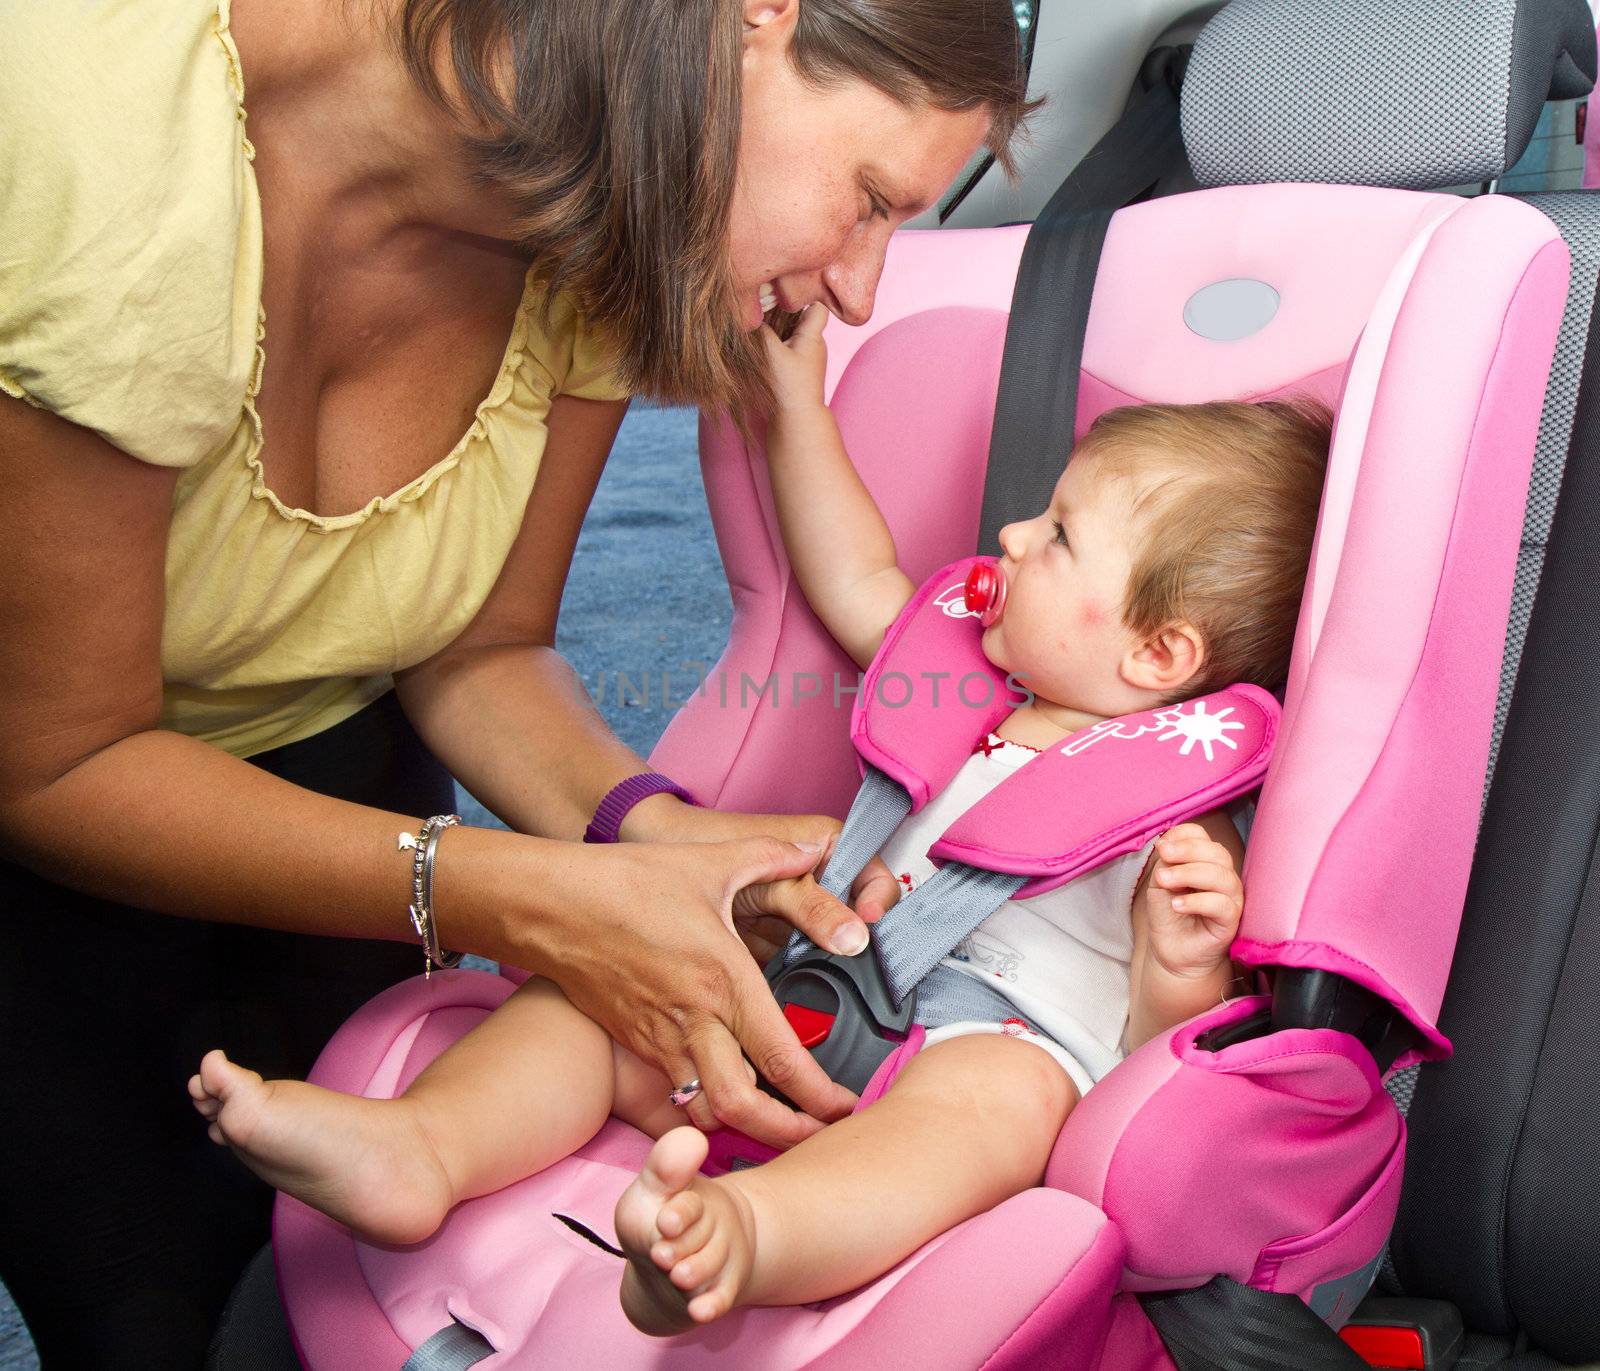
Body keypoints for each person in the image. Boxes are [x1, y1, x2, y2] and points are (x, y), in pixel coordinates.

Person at [0, 0, 1036, 1362]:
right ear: (754, 19)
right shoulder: (96, 125)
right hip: (44, 797)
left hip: (337, 758)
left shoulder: (613, 203)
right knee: (146, 1309)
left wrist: (648, 838)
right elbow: (58, 761)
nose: (855, 290)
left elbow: (479, 647)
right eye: (867, 201)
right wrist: (526, 892)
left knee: (355, 1283)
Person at [188, 306, 1333, 1333]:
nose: (1017, 538)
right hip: (811, 989)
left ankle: (737, 1238)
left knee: (990, 1114)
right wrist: (795, 405)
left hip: (990, 1047)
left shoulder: (1182, 814)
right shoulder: (967, 683)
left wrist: (1180, 958)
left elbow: (1153, 1053)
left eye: (1063, 537)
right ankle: (422, 1148)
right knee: (606, 989)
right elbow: (850, 571)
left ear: (1157, 655)